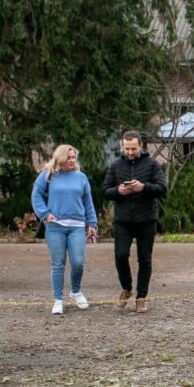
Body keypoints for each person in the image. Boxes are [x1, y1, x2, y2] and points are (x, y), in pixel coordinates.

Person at [102, 131, 167, 313]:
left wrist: (143, 187)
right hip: (123, 220)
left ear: (140, 146)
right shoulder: (115, 166)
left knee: (144, 259)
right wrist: (118, 191)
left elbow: (162, 188)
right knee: (120, 255)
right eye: (127, 148)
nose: (130, 152)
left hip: (146, 219)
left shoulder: (152, 165)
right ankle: (127, 287)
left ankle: (141, 297)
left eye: (133, 148)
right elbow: (105, 190)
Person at [31, 145, 98, 315]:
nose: (72, 160)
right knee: (58, 263)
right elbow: (36, 194)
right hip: (55, 227)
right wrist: (44, 214)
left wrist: (92, 223)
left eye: (74, 157)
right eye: (69, 157)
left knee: (77, 262)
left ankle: (75, 292)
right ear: (60, 158)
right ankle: (58, 299)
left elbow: (88, 202)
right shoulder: (48, 175)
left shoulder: (81, 178)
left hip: (77, 227)